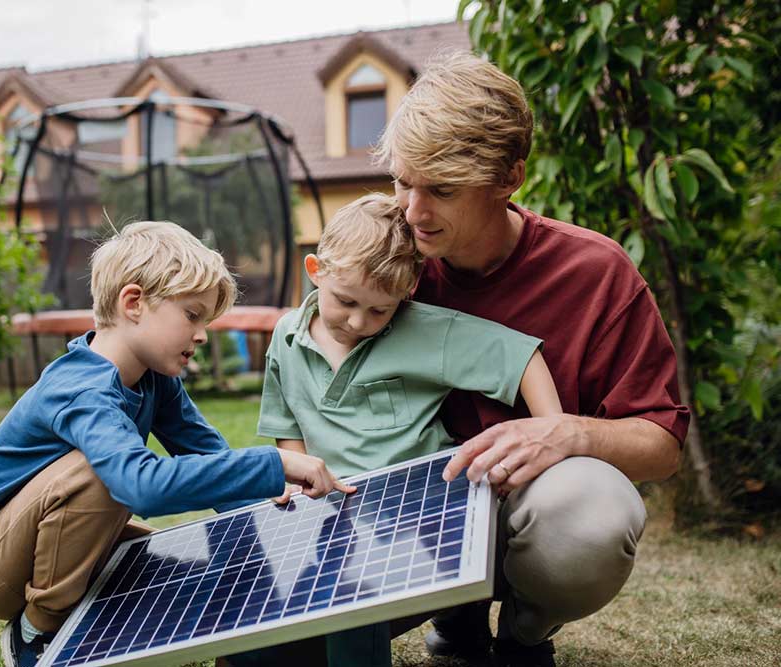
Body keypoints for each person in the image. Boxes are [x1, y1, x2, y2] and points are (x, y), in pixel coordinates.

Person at [374, 51, 688, 666]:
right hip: (409, 507)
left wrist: (566, 433)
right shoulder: (383, 261)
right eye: (403, 182)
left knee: (592, 517)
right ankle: (455, 612)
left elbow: (662, 444)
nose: (412, 212)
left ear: (509, 178)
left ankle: (523, 634)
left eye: (441, 190)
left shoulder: (595, 273)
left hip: (534, 506)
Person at [0, 221, 354, 667]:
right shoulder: (82, 389)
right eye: (192, 315)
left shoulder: (155, 379)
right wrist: (272, 462)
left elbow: (209, 457)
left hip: (58, 543)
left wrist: (283, 532)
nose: (202, 335)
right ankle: (39, 629)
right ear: (133, 303)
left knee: (176, 564)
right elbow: (140, 487)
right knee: (102, 472)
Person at [226, 192, 564, 667]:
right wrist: (297, 481)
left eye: (380, 310)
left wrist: (551, 431)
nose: (360, 321)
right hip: (337, 517)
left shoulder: (423, 330)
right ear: (315, 270)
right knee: (270, 643)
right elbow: (286, 418)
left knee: (351, 620)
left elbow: (521, 357)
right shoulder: (285, 336)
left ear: (407, 293)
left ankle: (470, 615)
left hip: (421, 515)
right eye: (346, 301)